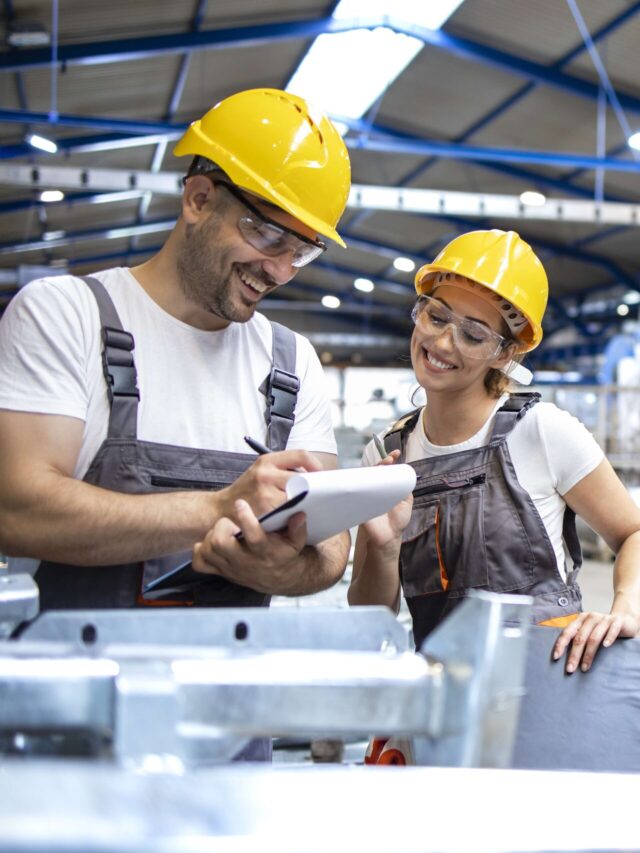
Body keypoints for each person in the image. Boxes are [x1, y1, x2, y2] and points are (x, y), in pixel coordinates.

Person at [0, 87, 352, 613]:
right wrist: (213, 509)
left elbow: (329, 549)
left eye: (301, 251)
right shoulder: (67, 314)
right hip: (82, 685)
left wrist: (290, 570)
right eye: (267, 235)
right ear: (199, 199)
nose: (280, 270)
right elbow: (17, 511)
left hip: (233, 686)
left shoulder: (292, 361)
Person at [348, 229, 640, 680]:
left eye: (473, 334)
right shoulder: (386, 456)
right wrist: (384, 550)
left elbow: (633, 533)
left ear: (507, 353)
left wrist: (625, 610)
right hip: (446, 701)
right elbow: (370, 616)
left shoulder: (542, 432)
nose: (444, 344)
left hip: (551, 690)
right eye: (437, 317)